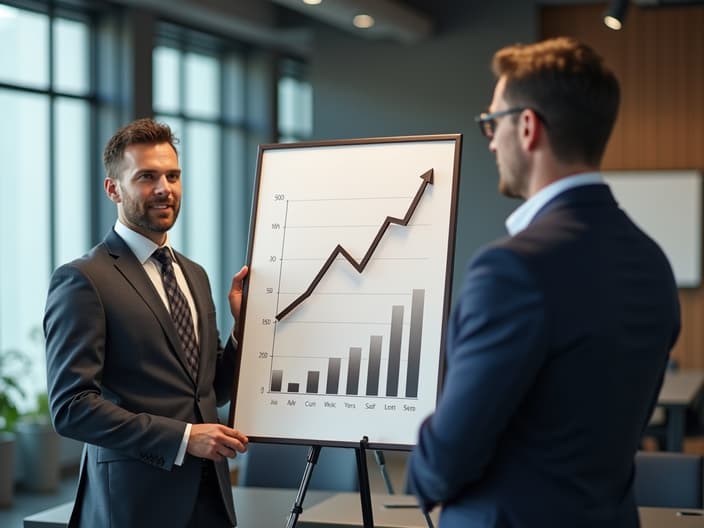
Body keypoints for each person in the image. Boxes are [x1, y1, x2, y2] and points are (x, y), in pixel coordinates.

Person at [408, 37, 680, 527]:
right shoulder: (652, 261)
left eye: (493, 123)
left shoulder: (512, 270)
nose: (490, 140)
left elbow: (450, 453)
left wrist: (422, 477)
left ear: (528, 127)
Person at [44, 118, 249, 527]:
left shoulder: (195, 274)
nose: (164, 188)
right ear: (113, 189)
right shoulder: (84, 279)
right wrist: (185, 438)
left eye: (173, 175)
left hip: (211, 498)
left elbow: (210, 390)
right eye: (146, 177)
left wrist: (242, 327)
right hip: (133, 505)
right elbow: (71, 408)